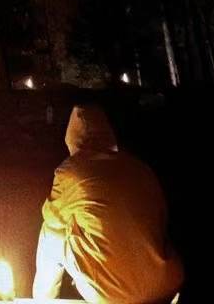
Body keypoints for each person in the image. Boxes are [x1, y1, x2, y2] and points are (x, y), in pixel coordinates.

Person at [33, 104, 183, 304]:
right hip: (167, 286)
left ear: (72, 138)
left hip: (112, 294)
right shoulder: (139, 168)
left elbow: (53, 217)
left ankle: (43, 300)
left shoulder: (71, 171)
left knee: (52, 232)